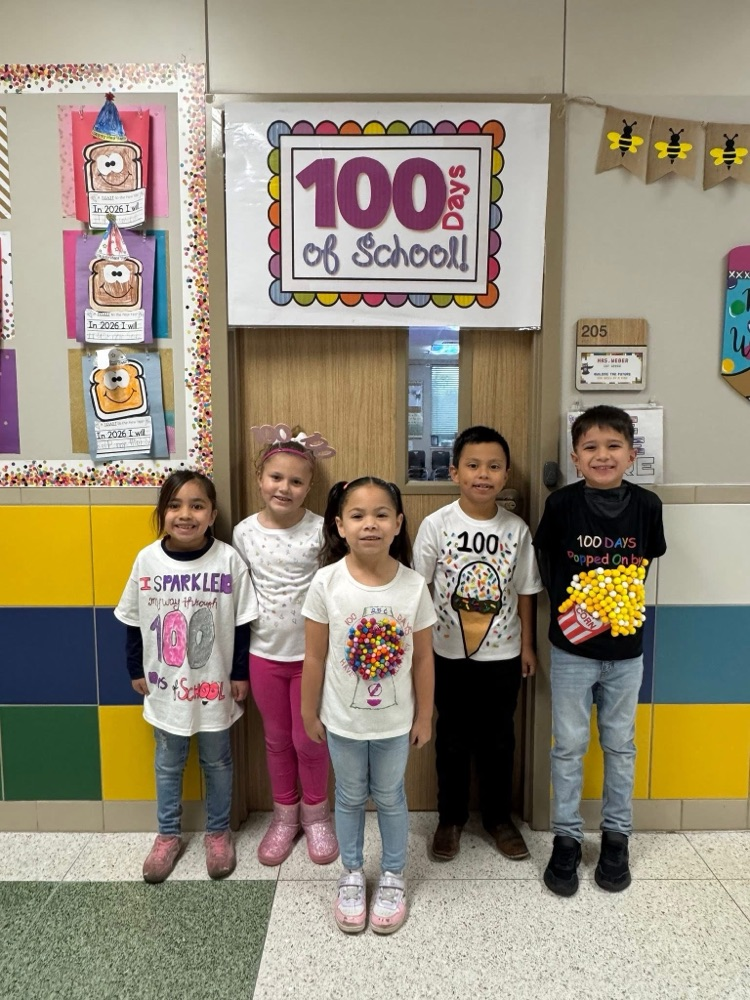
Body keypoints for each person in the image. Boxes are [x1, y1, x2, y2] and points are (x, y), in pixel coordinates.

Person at [534, 405, 666, 897]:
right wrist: (574, 611)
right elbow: (547, 559)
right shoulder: (563, 505)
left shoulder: (647, 507)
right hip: (571, 648)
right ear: (575, 456)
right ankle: (566, 839)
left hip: (626, 650)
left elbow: (645, 564)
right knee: (567, 745)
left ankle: (616, 838)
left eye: (613, 446)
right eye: (590, 447)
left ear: (631, 454)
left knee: (620, 744)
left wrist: (612, 607)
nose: (602, 455)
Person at [301, 478, 436, 934]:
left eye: (381, 514)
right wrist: (308, 710)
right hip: (342, 720)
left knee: (392, 796)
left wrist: (423, 715)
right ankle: (353, 873)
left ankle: (394, 874)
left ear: (398, 523)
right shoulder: (326, 582)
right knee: (350, 795)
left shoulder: (414, 586)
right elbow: (315, 655)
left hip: (396, 723)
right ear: (339, 525)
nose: (370, 524)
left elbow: (423, 660)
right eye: (357, 515)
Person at [115, 470, 259, 884]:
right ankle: (168, 835)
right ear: (162, 513)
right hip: (164, 685)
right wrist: (133, 668)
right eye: (175, 506)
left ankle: (218, 833)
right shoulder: (147, 559)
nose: (185, 514)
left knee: (217, 760)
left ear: (212, 514)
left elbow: (243, 623)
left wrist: (240, 673)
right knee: (168, 763)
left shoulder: (228, 559)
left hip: (215, 685)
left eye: (197, 506)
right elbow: (131, 619)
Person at [413, 426, 542, 863]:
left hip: (503, 656)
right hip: (446, 655)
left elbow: (525, 590)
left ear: (505, 475)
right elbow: (419, 589)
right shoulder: (437, 524)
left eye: (493, 466)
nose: (482, 474)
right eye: (472, 465)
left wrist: (527, 645)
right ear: (454, 472)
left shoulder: (516, 529)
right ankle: (450, 818)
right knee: (450, 737)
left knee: (498, 739)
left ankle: (497, 818)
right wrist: (422, 649)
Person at [232, 424, 338, 866]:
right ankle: (285, 817)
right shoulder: (242, 533)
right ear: (260, 478)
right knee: (276, 740)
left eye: (296, 481)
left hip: (315, 658)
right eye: (276, 477)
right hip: (264, 656)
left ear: (310, 486)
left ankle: (317, 818)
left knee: (309, 739)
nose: (285, 487)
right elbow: (238, 601)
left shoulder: (322, 532)